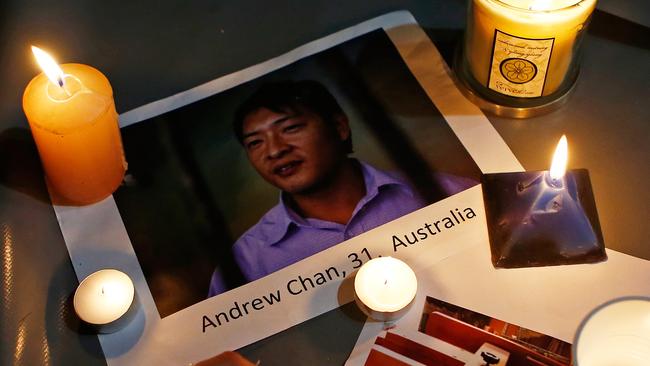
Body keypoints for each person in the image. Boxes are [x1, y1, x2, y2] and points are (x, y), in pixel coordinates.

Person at [208, 80, 474, 295]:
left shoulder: (446, 192)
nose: (275, 150)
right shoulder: (247, 261)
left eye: (290, 128)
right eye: (255, 143)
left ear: (339, 127)